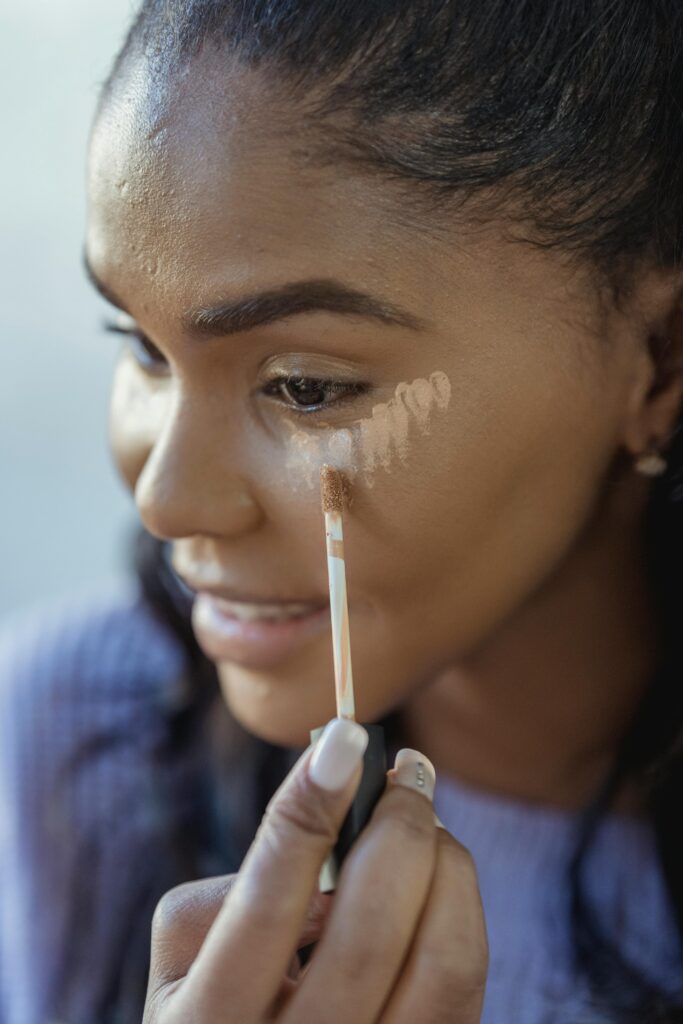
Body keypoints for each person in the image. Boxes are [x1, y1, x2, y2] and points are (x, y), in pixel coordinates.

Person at [2, 1, 683, 1021]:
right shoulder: (77, 738)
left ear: (659, 359)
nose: (164, 497)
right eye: (140, 344)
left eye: (307, 386)